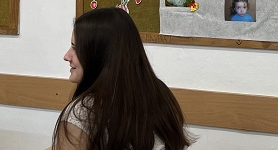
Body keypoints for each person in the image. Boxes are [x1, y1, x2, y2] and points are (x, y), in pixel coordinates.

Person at [53, 8, 192, 149]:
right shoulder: (160, 93)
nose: (66, 56)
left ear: (99, 54)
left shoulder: (82, 113)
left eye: (75, 48)